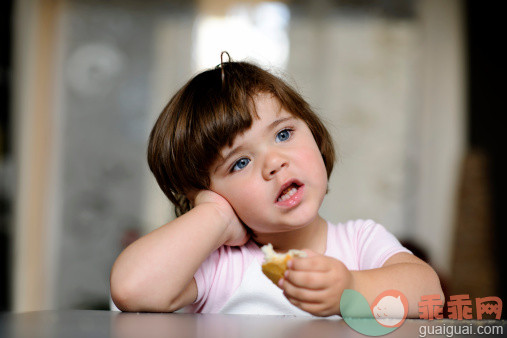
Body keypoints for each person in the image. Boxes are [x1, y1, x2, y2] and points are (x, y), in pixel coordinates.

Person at [110, 55, 443, 317]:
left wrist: (352, 287)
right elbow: (132, 288)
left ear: (313, 132)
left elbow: (429, 293)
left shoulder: (358, 242)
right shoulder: (223, 265)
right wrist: (214, 216)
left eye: (283, 134)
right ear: (210, 194)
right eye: (240, 162)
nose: (274, 163)